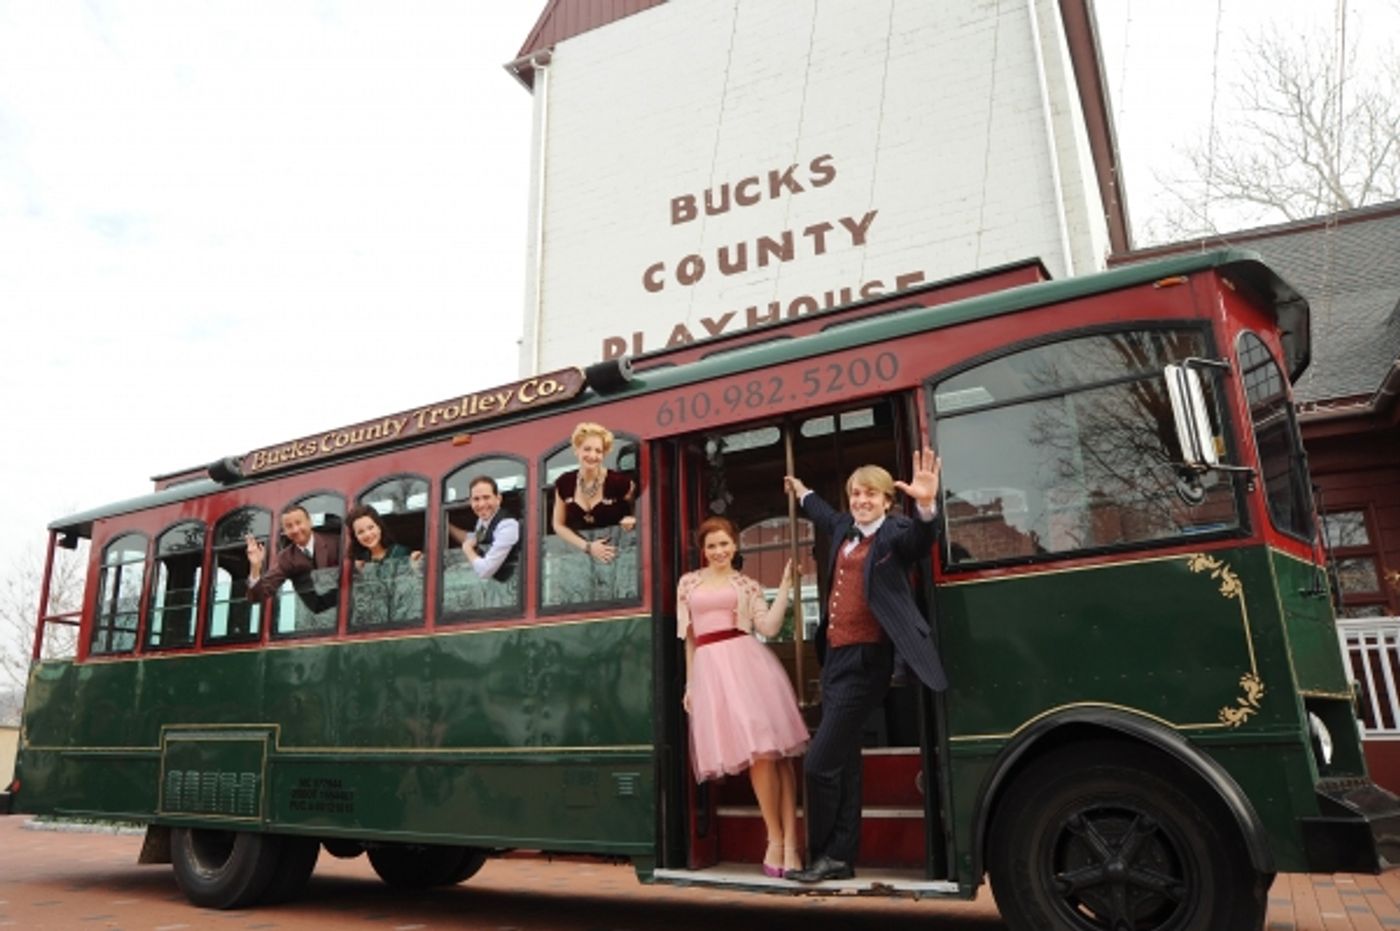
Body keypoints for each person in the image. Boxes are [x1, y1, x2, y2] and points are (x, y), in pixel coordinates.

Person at [781, 448, 947, 883]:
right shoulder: (842, 527)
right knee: (845, 764)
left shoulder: (895, 533)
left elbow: (921, 542)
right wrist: (801, 492)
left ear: (887, 500)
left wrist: (927, 506)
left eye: (871, 494)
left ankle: (826, 854)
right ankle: (840, 858)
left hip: (868, 661)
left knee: (818, 764)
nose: (862, 501)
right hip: (835, 658)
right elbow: (820, 511)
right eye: (856, 494)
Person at [677, 516, 809, 878]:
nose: (719, 551)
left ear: (735, 545)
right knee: (761, 757)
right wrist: (690, 685)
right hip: (710, 670)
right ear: (702, 550)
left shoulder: (747, 585)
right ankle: (777, 840)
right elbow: (689, 638)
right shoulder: (687, 583)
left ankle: (786, 844)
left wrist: (783, 587)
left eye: (725, 544)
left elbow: (767, 627)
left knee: (773, 757)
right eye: (712, 546)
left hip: (748, 665)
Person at [548, 422, 638, 602]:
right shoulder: (563, 484)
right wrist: (588, 547)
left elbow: (642, 510)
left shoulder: (620, 482)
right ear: (577, 450)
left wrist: (633, 518)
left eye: (598, 451)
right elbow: (557, 524)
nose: (592, 455)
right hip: (580, 562)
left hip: (620, 558)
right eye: (587, 449)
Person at [246, 503, 344, 618]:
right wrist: (255, 567)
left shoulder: (336, 542)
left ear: (309, 522)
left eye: (298, 523)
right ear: (285, 531)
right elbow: (258, 596)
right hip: (316, 619)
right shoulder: (286, 557)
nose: (295, 529)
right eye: (289, 526)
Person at [346, 504, 422, 626]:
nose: (367, 534)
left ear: (379, 527)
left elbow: (409, 590)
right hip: (372, 624)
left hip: (401, 619)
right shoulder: (361, 562)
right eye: (360, 532)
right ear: (355, 537)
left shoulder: (400, 552)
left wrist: (415, 565)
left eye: (371, 527)